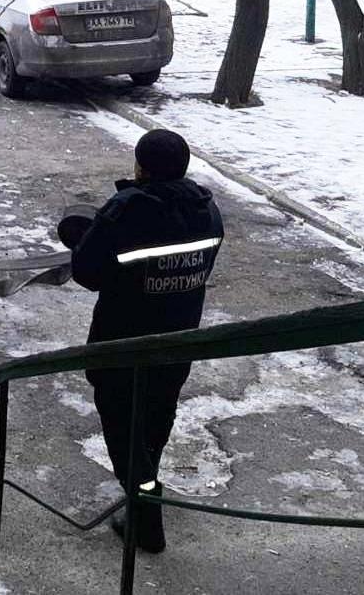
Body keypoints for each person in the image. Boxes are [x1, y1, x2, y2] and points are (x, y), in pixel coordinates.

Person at [58, 129, 224, 553]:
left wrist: (86, 236)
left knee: (122, 424)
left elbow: (88, 273)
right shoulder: (208, 211)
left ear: (141, 167)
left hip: (122, 344)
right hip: (179, 341)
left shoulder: (126, 212)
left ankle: (146, 509)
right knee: (156, 414)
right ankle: (146, 481)